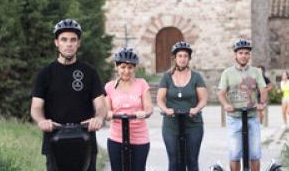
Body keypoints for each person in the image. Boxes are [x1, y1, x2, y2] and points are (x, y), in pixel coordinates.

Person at [31, 19, 106, 171]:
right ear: (56, 43)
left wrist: (98, 118)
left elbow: (101, 105)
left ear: (79, 43)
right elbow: (36, 107)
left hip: (85, 140)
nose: (69, 44)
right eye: (64, 39)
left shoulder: (89, 72)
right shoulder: (45, 74)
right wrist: (42, 121)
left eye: (73, 40)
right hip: (55, 139)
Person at [157, 42, 208, 171]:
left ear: (189, 58)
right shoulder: (167, 77)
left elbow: (203, 99)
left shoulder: (196, 77)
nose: (182, 59)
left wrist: (196, 109)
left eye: (185, 56)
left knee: (192, 160)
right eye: (180, 56)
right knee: (174, 161)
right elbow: (160, 99)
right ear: (175, 58)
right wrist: (166, 110)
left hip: (193, 123)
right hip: (171, 124)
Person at [218, 39, 267, 171]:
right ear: (235, 55)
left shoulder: (256, 72)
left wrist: (262, 103)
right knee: (234, 154)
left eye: (246, 53)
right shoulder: (227, 73)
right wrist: (226, 105)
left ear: (249, 55)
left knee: (255, 154)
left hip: (252, 117)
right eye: (240, 53)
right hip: (234, 117)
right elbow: (221, 93)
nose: (243, 55)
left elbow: (263, 90)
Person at [105, 47, 153, 171]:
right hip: (117, 137)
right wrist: (108, 113)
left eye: (130, 67)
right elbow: (105, 109)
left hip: (139, 136)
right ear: (116, 67)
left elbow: (149, 107)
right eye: (123, 67)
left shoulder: (141, 84)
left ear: (134, 68)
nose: (126, 71)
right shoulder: (109, 87)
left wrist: (144, 112)